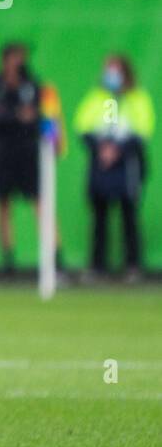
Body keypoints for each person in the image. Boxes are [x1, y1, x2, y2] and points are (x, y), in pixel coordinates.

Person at [73, 54, 155, 281]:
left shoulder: (137, 97)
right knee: (99, 215)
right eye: (108, 69)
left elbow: (144, 129)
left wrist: (118, 150)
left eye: (116, 70)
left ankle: (133, 265)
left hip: (128, 163)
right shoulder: (98, 97)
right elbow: (82, 126)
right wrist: (101, 148)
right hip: (100, 163)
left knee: (129, 214)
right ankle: (97, 265)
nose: (112, 75)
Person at [0, 42, 57, 273]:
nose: (20, 62)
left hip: (28, 153)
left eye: (23, 57)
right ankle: (7, 257)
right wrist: (17, 115)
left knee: (40, 202)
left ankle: (55, 254)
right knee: (3, 204)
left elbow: (45, 116)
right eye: (16, 57)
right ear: (5, 59)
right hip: (1, 154)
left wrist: (51, 138)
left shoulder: (33, 85)